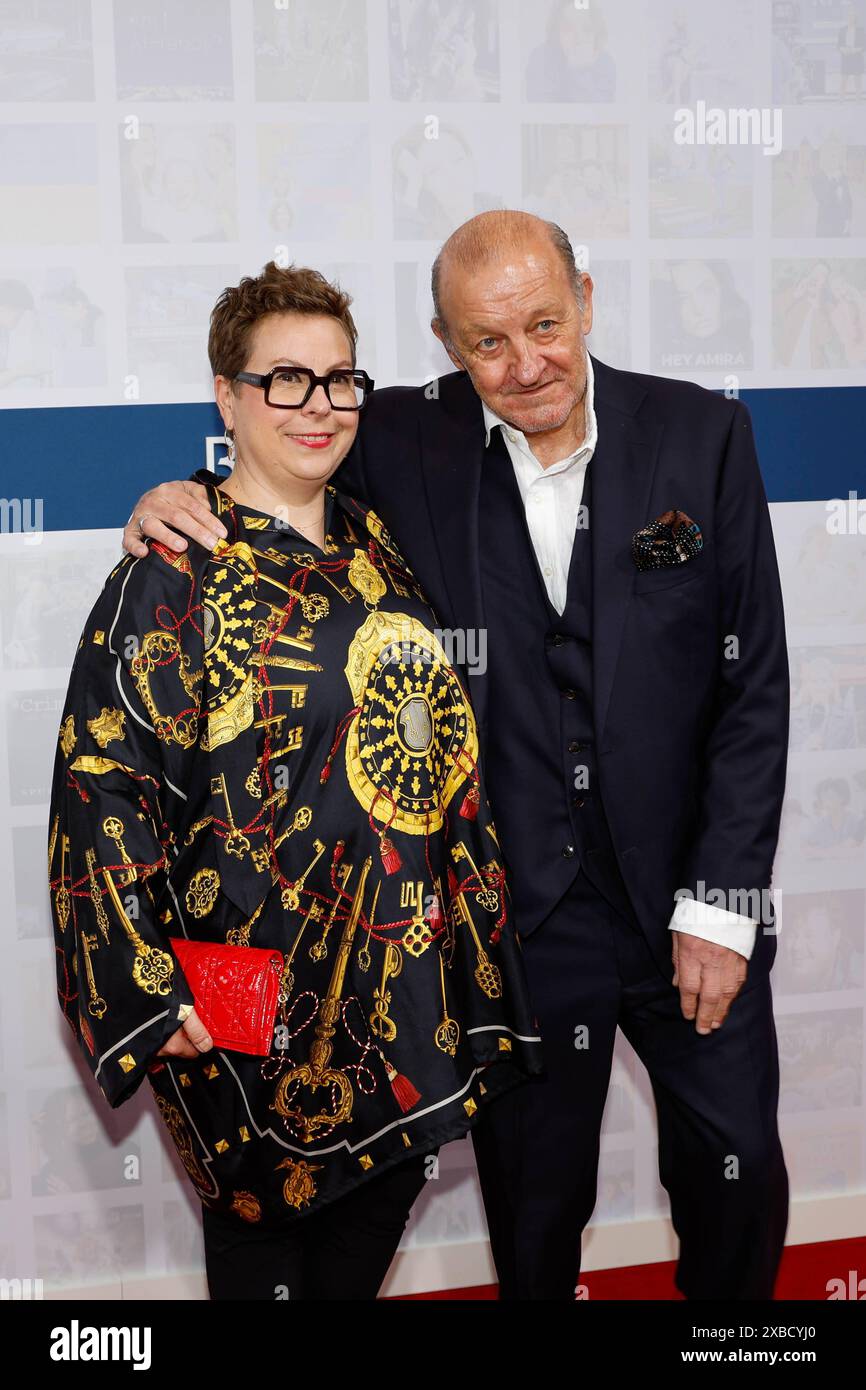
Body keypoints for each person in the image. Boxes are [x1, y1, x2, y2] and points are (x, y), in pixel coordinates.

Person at [125, 210, 791, 1301]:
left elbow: (750, 685)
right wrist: (171, 495)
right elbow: (277, 447)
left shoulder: (700, 435)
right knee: (534, 1212)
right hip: (515, 922)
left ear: (584, 297)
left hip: (687, 903)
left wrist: (719, 905)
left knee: (737, 1178)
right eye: (487, 341)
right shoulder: (400, 435)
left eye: (543, 322)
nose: (523, 362)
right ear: (444, 341)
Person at [49, 262, 542, 1301]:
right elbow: (102, 784)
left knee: (356, 1255)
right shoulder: (169, 568)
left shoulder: (375, 542)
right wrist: (147, 985)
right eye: (284, 379)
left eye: (338, 380)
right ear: (226, 395)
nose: (317, 407)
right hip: (239, 986)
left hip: (400, 986)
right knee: (266, 1255)